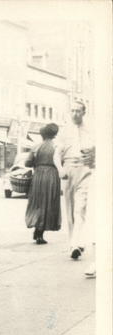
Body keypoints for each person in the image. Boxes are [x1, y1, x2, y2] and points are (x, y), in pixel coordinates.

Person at [57, 101, 95, 260]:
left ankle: (75, 243)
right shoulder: (65, 131)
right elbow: (56, 154)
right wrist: (60, 170)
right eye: (72, 111)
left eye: (78, 111)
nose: (74, 114)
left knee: (81, 208)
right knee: (70, 210)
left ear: (83, 112)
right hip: (68, 170)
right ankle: (74, 242)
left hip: (85, 170)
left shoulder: (90, 130)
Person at [24, 123, 62, 244]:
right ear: (54, 135)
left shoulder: (36, 146)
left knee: (38, 203)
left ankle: (37, 229)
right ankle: (40, 232)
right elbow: (62, 162)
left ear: (42, 135)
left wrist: (37, 163)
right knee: (48, 203)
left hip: (38, 176)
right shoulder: (57, 147)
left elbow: (27, 163)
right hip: (52, 176)